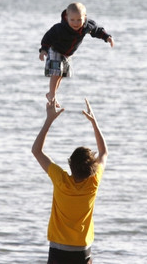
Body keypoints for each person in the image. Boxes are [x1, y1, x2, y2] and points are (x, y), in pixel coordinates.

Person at [32, 98, 108, 264]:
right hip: (82, 252)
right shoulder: (93, 183)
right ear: (92, 169)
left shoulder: (60, 179)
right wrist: (94, 122)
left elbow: (36, 151)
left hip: (58, 251)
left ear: (70, 164)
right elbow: (103, 152)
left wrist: (49, 120)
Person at [39, 2, 114, 107]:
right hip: (55, 49)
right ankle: (52, 95)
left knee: (61, 75)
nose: (76, 23)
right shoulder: (60, 28)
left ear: (85, 18)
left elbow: (97, 30)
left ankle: (51, 94)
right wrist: (43, 50)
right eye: (72, 20)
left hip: (67, 55)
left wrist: (107, 37)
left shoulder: (87, 26)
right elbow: (48, 37)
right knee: (56, 73)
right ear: (66, 17)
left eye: (79, 20)